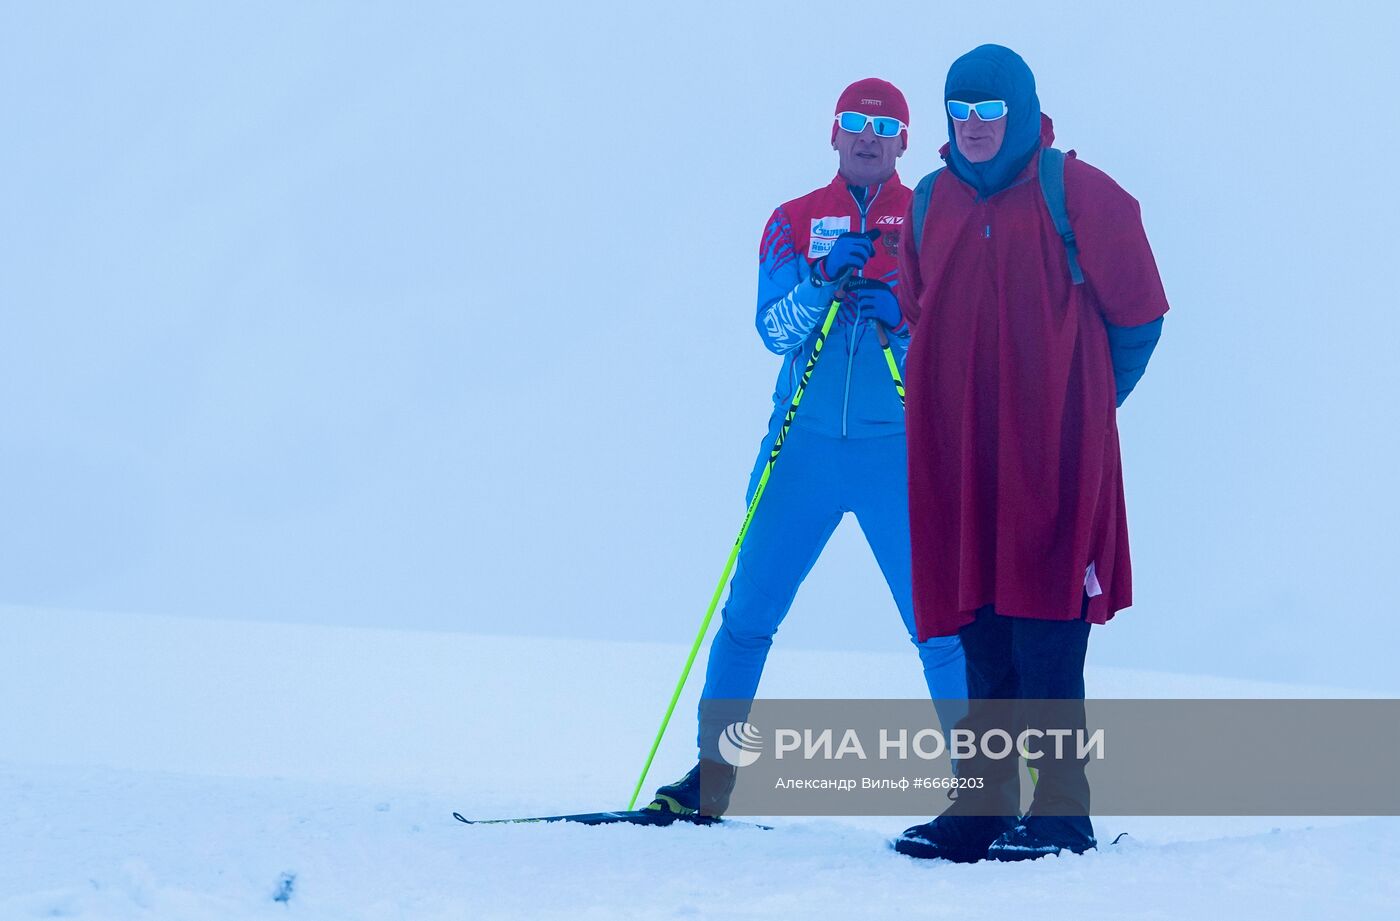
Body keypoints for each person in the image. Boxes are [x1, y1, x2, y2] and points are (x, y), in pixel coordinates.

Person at [646, 78, 968, 817]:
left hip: (897, 449)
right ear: (833, 134)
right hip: (804, 447)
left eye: (883, 125)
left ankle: (979, 787)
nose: (867, 135)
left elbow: (951, 345)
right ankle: (712, 774)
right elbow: (774, 331)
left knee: (938, 623)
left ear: (903, 141)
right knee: (749, 613)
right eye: (854, 121)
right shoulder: (793, 220)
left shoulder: (931, 218)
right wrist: (823, 281)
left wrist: (903, 315)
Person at [892, 45, 1169, 861]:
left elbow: (1142, 318)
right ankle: (981, 809)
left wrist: (1084, 406)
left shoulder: (1078, 192)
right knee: (979, 623)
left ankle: (1059, 816)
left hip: (1056, 456)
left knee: (1046, 629)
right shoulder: (930, 201)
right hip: (961, 458)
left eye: (990, 112)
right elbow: (920, 308)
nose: (974, 128)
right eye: (960, 114)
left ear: (1021, 111)